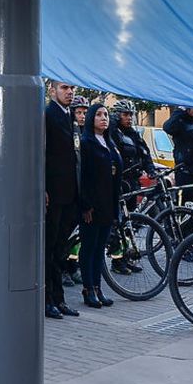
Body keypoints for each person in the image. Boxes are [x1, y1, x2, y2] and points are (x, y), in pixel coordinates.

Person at [77, 104, 121, 309]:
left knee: (100, 249)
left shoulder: (109, 143)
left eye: (106, 115)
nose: (104, 118)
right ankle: (88, 289)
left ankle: (98, 286)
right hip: (92, 206)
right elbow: (82, 176)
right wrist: (85, 205)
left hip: (107, 204)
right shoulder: (86, 142)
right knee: (89, 247)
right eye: (99, 115)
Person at [44, 80, 81, 320]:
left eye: (71, 89)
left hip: (69, 192)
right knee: (49, 249)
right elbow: (43, 153)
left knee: (61, 250)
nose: (69, 92)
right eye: (64, 88)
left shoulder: (69, 116)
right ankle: (48, 299)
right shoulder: (48, 114)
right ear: (52, 90)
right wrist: (43, 187)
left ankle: (59, 298)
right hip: (54, 193)